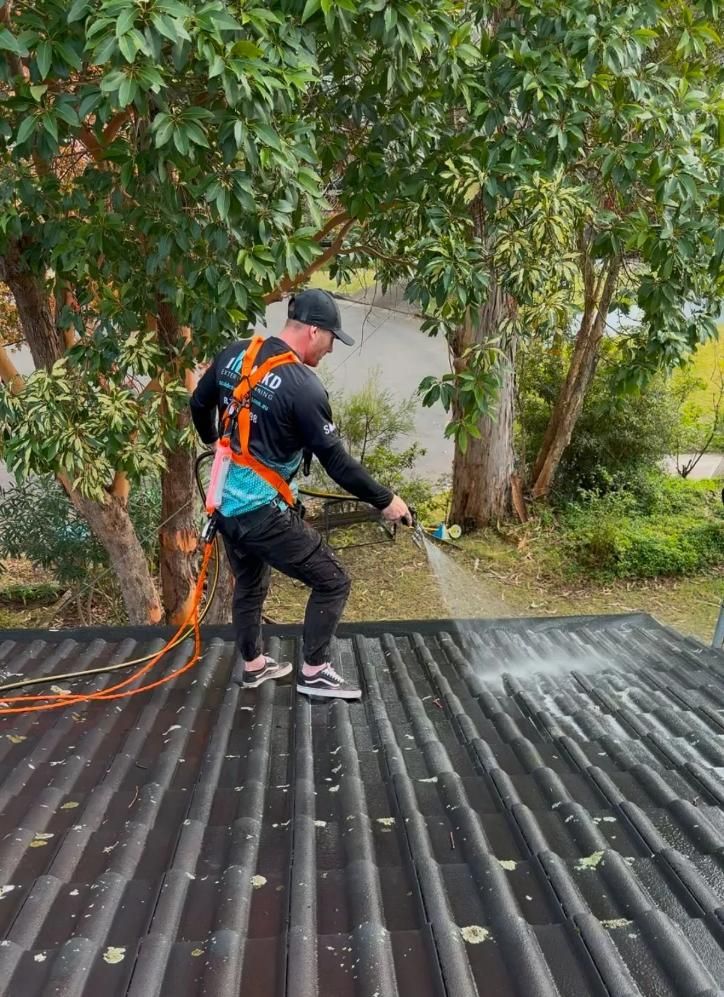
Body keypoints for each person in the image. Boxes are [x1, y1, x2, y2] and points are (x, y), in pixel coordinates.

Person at [190, 288, 412, 700]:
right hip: (261, 512)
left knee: (250, 585)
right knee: (332, 581)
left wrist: (215, 442)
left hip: (224, 503)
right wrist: (386, 500)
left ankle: (254, 665)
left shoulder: (235, 353)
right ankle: (314, 672)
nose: (330, 350)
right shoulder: (303, 387)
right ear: (314, 331)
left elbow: (198, 403)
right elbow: (337, 463)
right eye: (331, 339)